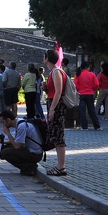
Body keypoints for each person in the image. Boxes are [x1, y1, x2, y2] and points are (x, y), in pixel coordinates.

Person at [42, 48, 70, 176]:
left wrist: (52, 109)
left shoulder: (57, 71)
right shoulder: (53, 72)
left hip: (57, 106)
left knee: (58, 136)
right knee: (56, 135)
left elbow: (58, 92)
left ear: (47, 58)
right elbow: (53, 91)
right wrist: (45, 88)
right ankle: (60, 165)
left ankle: (61, 166)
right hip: (53, 104)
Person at [0, 109, 45, 176]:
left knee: (5, 152)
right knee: (6, 147)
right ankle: (28, 165)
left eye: (3, 122)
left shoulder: (21, 126)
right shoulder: (20, 122)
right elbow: (18, 141)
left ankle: (29, 167)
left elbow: (17, 146)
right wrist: (3, 141)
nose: (3, 125)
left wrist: (8, 133)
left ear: (8, 120)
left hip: (35, 154)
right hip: (32, 151)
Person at [75, 64, 102, 130]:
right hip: (90, 94)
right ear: (87, 67)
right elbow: (97, 84)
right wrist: (93, 89)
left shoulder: (78, 75)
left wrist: (79, 90)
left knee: (82, 111)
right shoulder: (92, 74)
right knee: (92, 110)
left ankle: (84, 126)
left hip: (81, 94)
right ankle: (96, 126)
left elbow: (75, 84)